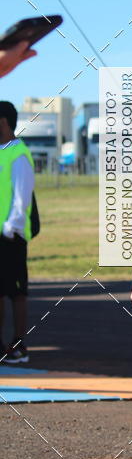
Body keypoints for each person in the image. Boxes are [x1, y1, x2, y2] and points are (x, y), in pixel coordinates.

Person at [0, 101, 35, 364]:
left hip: (10, 236)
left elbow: (21, 198)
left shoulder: (18, 153)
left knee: (16, 291)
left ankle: (19, 345)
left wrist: (11, 228)